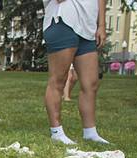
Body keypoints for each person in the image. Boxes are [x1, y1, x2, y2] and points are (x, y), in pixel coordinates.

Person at [43, 0, 109, 145]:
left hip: (87, 26)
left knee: (91, 83)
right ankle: (57, 132)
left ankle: (90, 133)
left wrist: (101, 25)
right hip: (62, 21)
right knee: (58, 80)